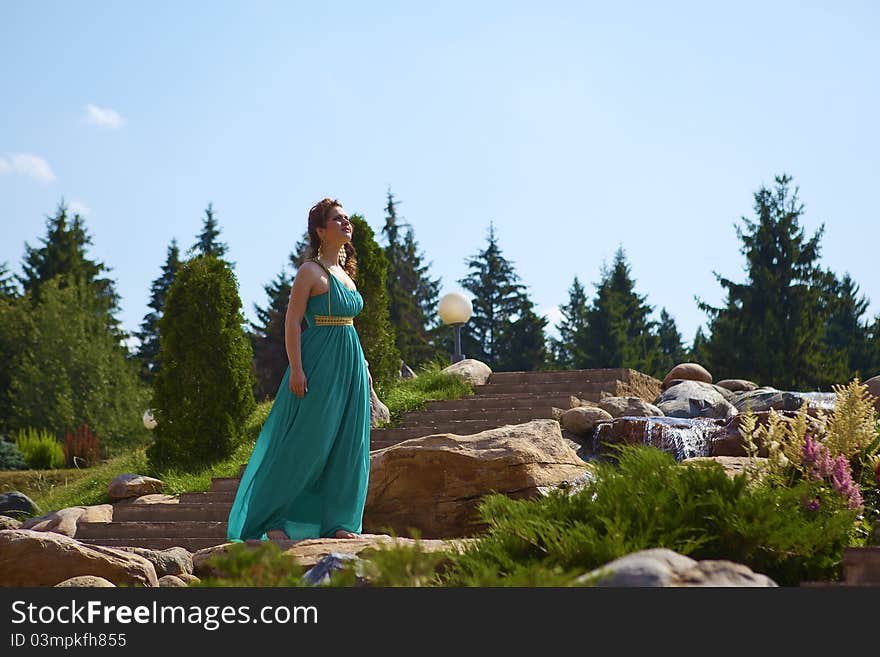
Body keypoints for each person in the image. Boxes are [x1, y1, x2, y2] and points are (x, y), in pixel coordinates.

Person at [226, 198, 371, 542]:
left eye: (346, 218)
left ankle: (338, 523)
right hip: (319, 362)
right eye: (337, 219)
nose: (345, 223)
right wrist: (296, 369)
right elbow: (293, 321)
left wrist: (363, 366)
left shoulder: (345, 274)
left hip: (350, 364)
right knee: (308, 442)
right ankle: (269, 520)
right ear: (320, 230)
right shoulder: (310, 271)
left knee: (347, 444)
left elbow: (348, 324)